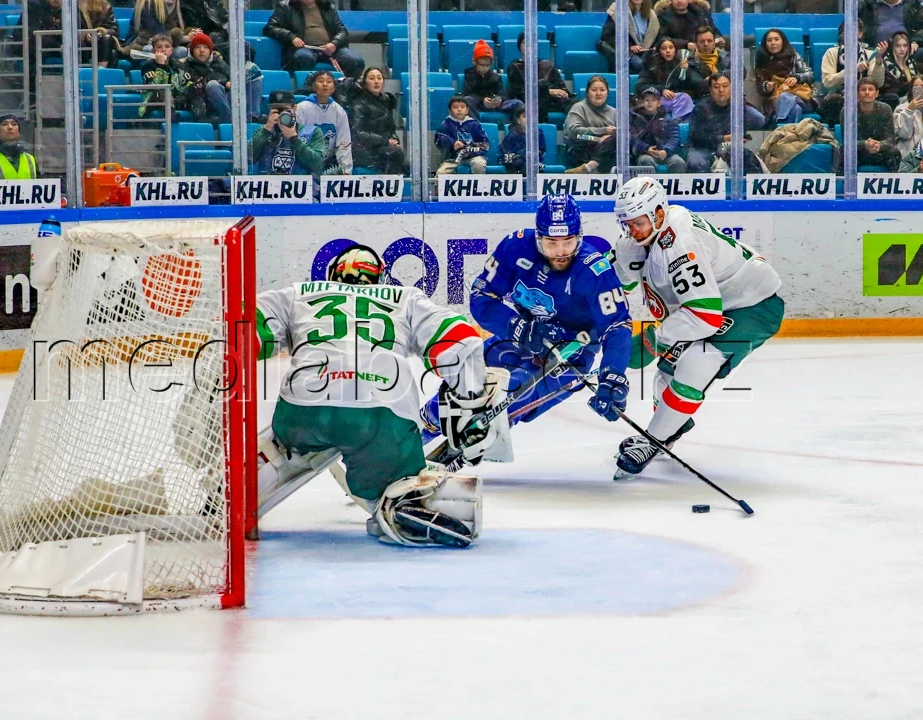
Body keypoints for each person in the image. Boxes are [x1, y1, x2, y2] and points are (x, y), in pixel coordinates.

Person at [246, 243, 503, 548]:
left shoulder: (297, 294)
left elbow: (238, 329)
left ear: (331, 276)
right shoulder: (405, 299)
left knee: (286, 448)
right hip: (382, 416)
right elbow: (463, 342)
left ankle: (248, 479)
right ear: (380, 279)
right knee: (393, 479)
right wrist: (467, 404)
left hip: (304, 411)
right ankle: (400, 501)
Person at [419, 194, 633, 455]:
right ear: (538, 237)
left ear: (579, 236)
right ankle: (423, 426)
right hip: (521, 334)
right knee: (465, 380)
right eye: (551, 242)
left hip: (570, 352)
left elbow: (618, 326)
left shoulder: (594, 270)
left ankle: (469, 442)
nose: (561, 251)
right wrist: (518, 327)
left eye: (568, 242)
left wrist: (613, 375)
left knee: (513, 392)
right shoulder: (515, 248)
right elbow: (481, 298)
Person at [610, 177, 783, 478]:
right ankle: (670, 428)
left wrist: (653, 340)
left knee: (695, 363)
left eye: (638, 223)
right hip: (712, 305)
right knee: (666, 374)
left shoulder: (679, 241)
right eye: (626, 224)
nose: (632, 231)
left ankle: (654, 441)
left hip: (752, 306)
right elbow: (610, 291)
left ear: (659, 214)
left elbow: (704, 316)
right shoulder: (634, 244)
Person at [262, 0, 365, 79]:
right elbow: (270, 28)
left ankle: (347, 91)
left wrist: (334, 43)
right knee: (303, 57)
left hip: (331, 49)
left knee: (356, 61)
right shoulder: (285, 6)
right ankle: (306, 90)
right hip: (304, 48)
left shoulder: (328, 7)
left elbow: (342, 31)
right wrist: (291, 37)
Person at [687, 73, 766, 172]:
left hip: (730, 147)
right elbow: (696, 135)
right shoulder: (701, 108)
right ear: (710, 90)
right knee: (696, 162)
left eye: (725, 86)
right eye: (716, 87)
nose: (721, 90)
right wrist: (722, 138)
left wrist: (737, 137)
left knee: (748, 159)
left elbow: (742, 129)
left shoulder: (738, 106)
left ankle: (751, 186)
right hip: (703, 148)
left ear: (731, 88)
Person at [340, 67, 406, 175]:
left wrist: (394, 141)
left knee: (406, 165)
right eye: (372, 78)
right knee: (396, 155)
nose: (376, 81)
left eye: (379, 78)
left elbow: (391, 130)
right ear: (365, 83)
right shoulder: (358, 104)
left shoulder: (387, 101)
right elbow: (357, 133)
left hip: (384, 147)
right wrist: (385, 141)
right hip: (365, 150)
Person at [820, 20, 886, 127]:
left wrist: (878, 61)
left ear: (860, 34)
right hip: (841, 94)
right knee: (833, 100)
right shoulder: (832, 53)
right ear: (842, 34)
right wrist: (850, 71)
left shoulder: (870, 54)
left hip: (866, 94)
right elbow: (828, 81)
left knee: (889, 98)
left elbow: (878, 83)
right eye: (847, 31)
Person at [249, 89, 326, 175]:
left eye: (285, 109)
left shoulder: (312, 132)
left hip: (300, 185)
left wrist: (294, 138)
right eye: (276, 109)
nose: (281, 113)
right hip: (267, 185)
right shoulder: (262, 131)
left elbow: (318, 164)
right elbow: (247, 159)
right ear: (269, 109)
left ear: (294, 108)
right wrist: (266, 131)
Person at [753, 29, 816, 127]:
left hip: (799, 96)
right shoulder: (761, 59)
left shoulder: (792, 55)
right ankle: (789, 136)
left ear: (782, 41)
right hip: (773, 101)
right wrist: (767, 87)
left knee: (785, 97)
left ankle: (780, 125)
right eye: (769, 40)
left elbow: (810, 75)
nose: (773, 43)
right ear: (765, 43)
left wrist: (797, 78)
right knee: (796, 109)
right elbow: (759, 85)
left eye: (776, 39)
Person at [295, 70, 353, 174]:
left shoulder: (339, 111)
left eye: (329, 81)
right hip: (305, 160)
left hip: (329, 162)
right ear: (313, 86)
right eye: (321, 81)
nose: (325, 84)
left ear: (334, 88)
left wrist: (345, 170)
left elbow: (344, 143)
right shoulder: (301, 108)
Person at [507, 32, 572, 123]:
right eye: (525, 43)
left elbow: (560, 85)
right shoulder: (514, 67)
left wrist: (562, 92)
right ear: (519, 46)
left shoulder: (547, 65)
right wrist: (548, 91)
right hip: (530, 103)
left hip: (552, 102)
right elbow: (520, 91)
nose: (529, 46)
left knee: (577, 105)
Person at [635, 37, 701, 120]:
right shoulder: (650, 65)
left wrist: (685, 72)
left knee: (690, 102)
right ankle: (676, 123)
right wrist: (661, 90)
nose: (668, 51)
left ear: (675, 50)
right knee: (684, 98)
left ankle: (678, 124)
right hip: (653, 100)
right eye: (664, 48)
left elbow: (686, 87)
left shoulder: (679, 64)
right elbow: (640, 87)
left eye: (671, 47)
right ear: (659, 51)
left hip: (673, 99)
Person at [564, 75, 618, 173]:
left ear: (607, 92)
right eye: (594, 90)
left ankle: (591, 166)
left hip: (609, 152)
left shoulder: (614, 112)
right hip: (583, 148)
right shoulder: (578, 108)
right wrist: (601, 135)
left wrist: (607, 141)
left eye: (602, 90)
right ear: (588, 93)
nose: (598, 93)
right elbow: (573, 133)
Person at [631, 87, 688, 173]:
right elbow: (633, 138)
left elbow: (674, 138)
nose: (650, 102)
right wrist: (646, 149)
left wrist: (666, 151)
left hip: (666, 154)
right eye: (647, 100)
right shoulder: (635, 119)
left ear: (659, 103)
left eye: (653, 100)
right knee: (645, 161)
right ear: (642, 103)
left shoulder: (668, 120)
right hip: (645, 154)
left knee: (678, 162)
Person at [462, 40, 523, 120]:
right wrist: (482, 100)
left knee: (518, 103)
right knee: (467, 100)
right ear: (475, 62)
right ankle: (475, 127)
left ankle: (514, 128)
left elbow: (502, 92)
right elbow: (467, 93)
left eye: (487, 65)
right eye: (482, 65)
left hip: (495, 105)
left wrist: (500, 99)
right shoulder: (469, 75)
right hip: (478, 103)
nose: (485, 68)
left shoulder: (495, 77)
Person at [180, 32, 232, 125]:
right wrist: (225, 83)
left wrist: (230, 82)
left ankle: (252, 116)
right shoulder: (186, 66)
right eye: (197, 47)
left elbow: (232, 77)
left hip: (226, 96)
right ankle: (229, 120)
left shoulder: (219, 62)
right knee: (213, 85)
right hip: (205, 101)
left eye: (205, 47)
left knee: (254, 76)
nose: (202, 51)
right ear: (191, 50)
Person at [138, 34, 191, 119]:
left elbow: (182, 87)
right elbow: (155, 86)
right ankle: (171, 114)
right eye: (159, 47)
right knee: (164, 90)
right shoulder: (148, 66)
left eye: (167, 47)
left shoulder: (178, 65)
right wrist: (161, 66)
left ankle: (203, 119)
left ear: (171, 50)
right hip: (154, 101)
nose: (163, 50)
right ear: (153, 50)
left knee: (195, 90)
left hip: (174, 99)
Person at [121, 0, 196, 60]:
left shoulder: (175, 6)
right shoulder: (148, 4)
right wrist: (184, 38)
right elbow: (156, 33)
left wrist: (192, 35)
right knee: (153, 50)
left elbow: (178, 28)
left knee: (181, 51)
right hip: (140, 44)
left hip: (165, 43)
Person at [598, 0, 659, 73]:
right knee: (640, 64)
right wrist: (629, 47)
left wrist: (657, 46)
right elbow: (607, 37)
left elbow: (657, 37)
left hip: (646, 51)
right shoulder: (617, 10)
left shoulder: (651, 14)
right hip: (624, 51)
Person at [435, 96, 489, 174]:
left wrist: (469, 150)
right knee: (441, 173)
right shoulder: (445, 125)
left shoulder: (474, 124)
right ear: (450, 111)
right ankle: (439, 186)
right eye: (455, 107)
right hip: (452, 158)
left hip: (473, 156)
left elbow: (485, 144)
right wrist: (453, 143)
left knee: (479, 164)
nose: (459, 109)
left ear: (467, 110)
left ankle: (478, 185)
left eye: (462, 107)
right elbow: (439, 140)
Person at [857, 77, 903, 170]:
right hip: (859, 152)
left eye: (870, 89)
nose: (867, 92)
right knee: (844, 151)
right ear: (857, 93)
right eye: (863, 89)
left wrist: (880, 145)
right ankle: (843, 183)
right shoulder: (847, 110)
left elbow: (890, 138)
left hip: (879, 151)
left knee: (895, 152)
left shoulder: (885, 109)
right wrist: (865, 144)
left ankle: (892, 182)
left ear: (877, 93)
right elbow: (848, 140)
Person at [0, 114, 39, 180]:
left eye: (14, 124)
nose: (10, 127)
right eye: (4, 124)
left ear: (19, 132)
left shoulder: (30, 159)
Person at [653, 0, 723, 52]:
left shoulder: (701, 13)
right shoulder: (664, 17)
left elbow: (713, 30)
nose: (679, 1)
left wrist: (718, 38)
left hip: (703, 50)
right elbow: (661, 38)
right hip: (677, 53)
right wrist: (685, 44)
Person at [881, 31, 923, 108]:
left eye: (905, 45)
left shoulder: (912, 63)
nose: (902, 49)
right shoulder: (886, 64)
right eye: (898, 46)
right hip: (895, 101)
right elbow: (888, 89)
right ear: (892, 47)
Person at [499, 105, 546, 174]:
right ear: (518, 120)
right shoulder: (512, 135)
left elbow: (541, 151)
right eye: (525, 116)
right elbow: (506, 154)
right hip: (515, 165)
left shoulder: (539, 134)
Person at [690, 25, 729, 98]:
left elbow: (741, 72)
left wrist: (714, 77)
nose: (706, 44)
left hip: (729, 98)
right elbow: (699, 85)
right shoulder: (690, 62)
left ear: (714, 43)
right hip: (703, 99)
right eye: (702, 41)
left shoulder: (725, 56)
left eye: (709, 41)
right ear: (696, 44)